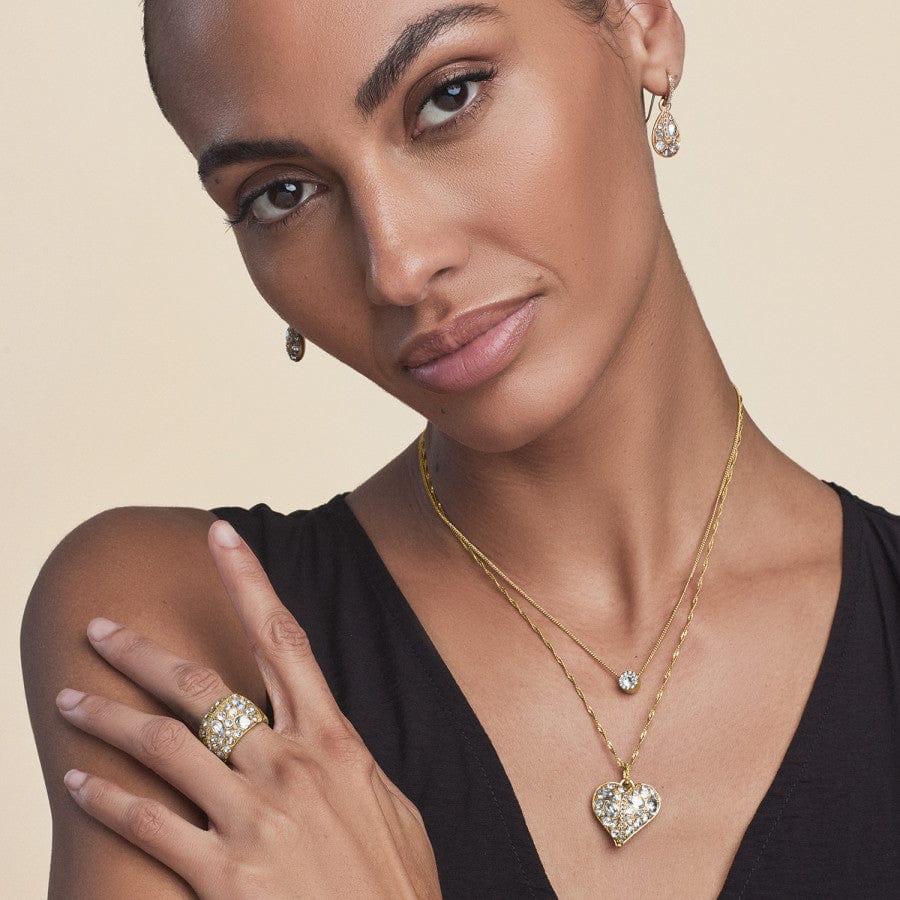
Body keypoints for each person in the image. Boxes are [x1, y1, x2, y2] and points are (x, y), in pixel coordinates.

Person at [20, 1, 898, 896]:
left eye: (448, 97)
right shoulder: (182, 629)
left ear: (641, 23)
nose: (395, 264)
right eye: (280, 193)